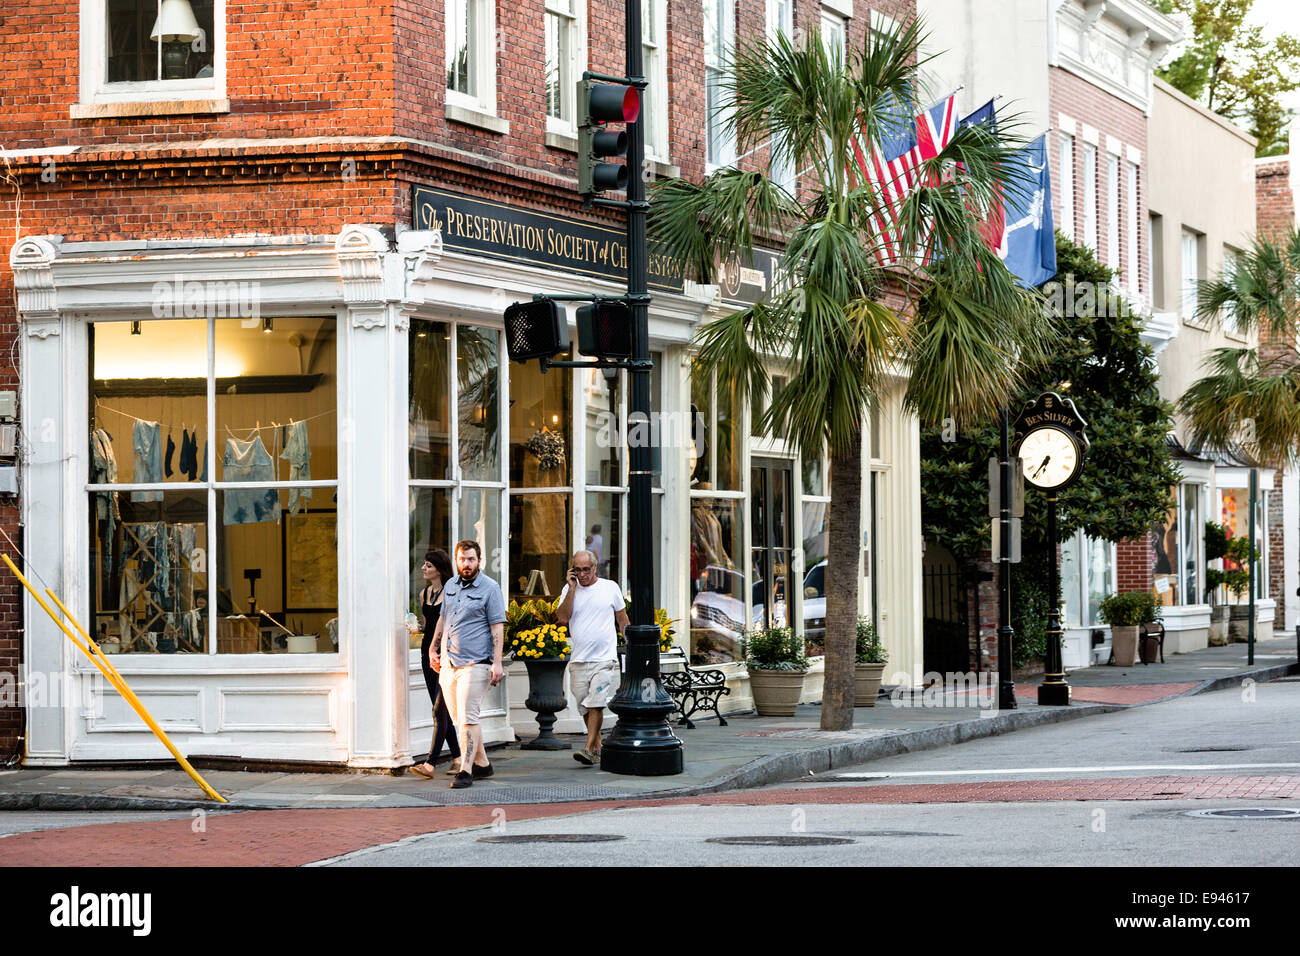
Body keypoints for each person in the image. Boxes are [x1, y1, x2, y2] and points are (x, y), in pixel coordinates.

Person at [431, 540, 506, 789]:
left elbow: (497, 627)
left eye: (471, 559)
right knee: (458, 719)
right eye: (462, 559)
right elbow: (444, 618)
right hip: (449, 662)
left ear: (479, 561)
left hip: (476, 663)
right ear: (456, 560)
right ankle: (483, 763)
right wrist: (434, 647)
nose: (466, 564)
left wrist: (497, 663)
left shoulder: (490, 588)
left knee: (467, 717)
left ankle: (466, 769)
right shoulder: (450, 585)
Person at [555, 549, 628, 766]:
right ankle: (598, 746)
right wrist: (571, 588)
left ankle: (588, 749)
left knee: (596, 703)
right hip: (579, 659)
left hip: (604, 658)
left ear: (595, 567)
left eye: (586, 569)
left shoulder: (609, 587)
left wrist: (630, 643)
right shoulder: (570, 590)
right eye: (578, 570)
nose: (583, 574)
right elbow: (562, 618)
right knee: (584, 706)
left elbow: (622, 619)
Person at [408, 549, 460, 779]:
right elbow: (430, 626)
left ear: (439, 569)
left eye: (428, 565)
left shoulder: (452, 592)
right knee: (441, 710)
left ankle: (430, 763)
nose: (423, 569)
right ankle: (458, 757)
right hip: (427, 654)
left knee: (440, 710)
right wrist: (416, 628)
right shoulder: (424, 594)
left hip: (447, 655)